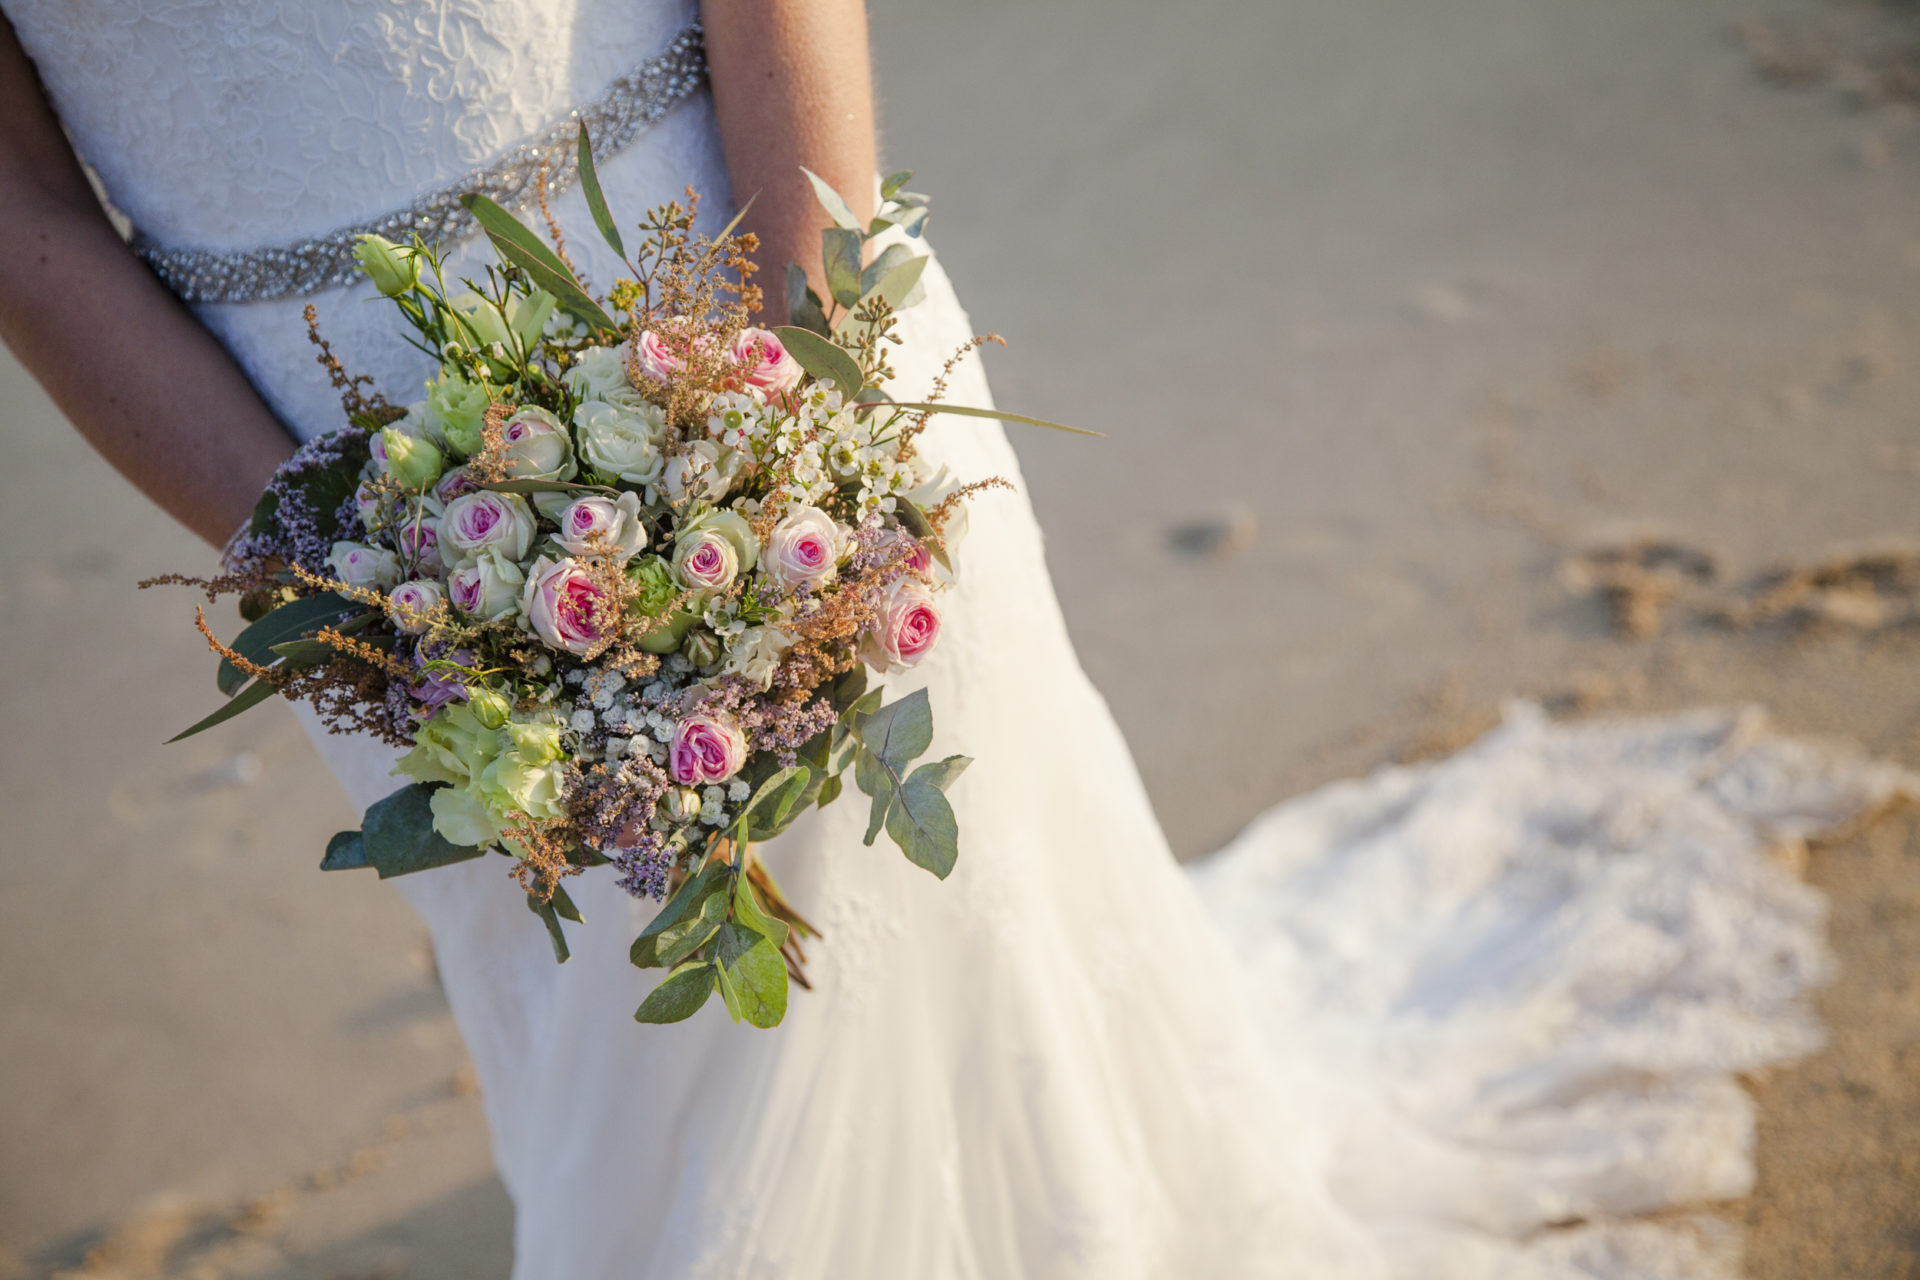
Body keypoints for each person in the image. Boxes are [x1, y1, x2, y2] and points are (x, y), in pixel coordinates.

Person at [0, 3, 1899, 1277]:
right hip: (363, 493)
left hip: (764, 283)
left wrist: (785, 409)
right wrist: (341, 572)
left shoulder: (790, 366)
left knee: (958, 897)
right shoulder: (358, 554)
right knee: (614, 1013)